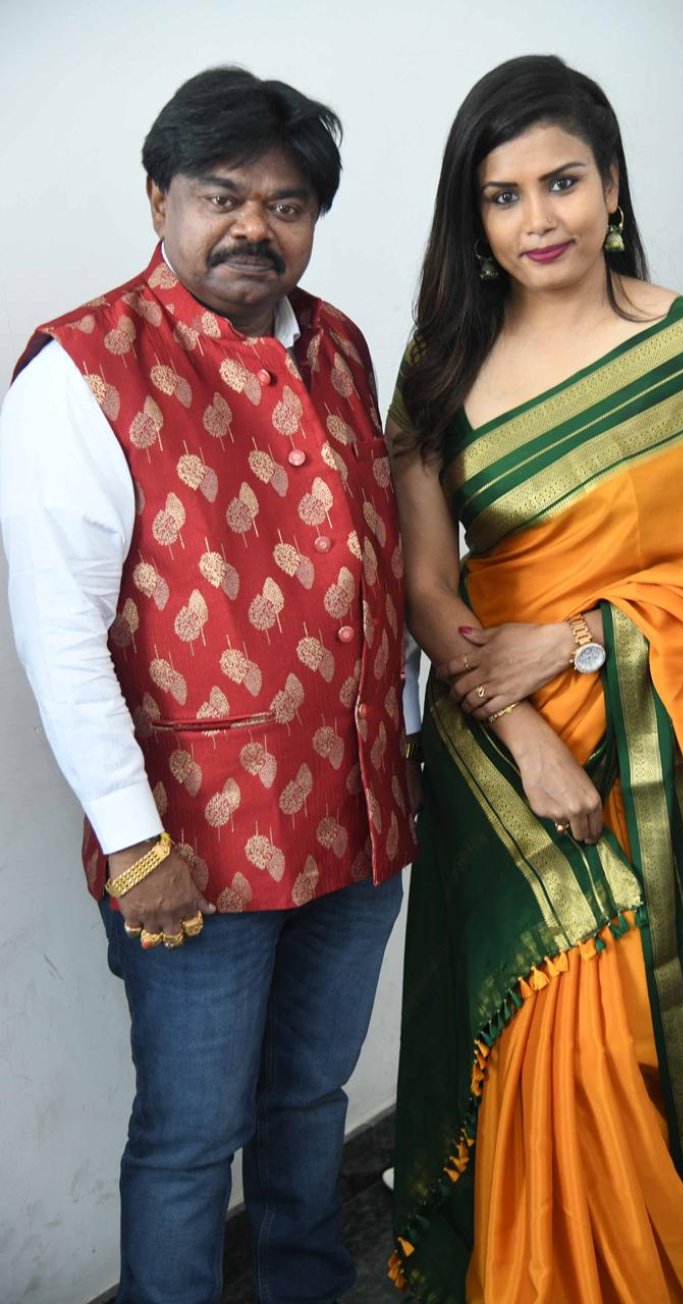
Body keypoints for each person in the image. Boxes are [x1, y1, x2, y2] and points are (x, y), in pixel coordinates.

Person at [0, 67, 421, 1304]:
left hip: (358, 817)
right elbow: (60, 634)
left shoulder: (339, 345)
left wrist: (405, 744)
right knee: (190, 1137)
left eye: (286, 205)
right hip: (195, 845)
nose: (253, 228)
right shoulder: (85, 369)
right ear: (159, 198)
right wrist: (136, 847)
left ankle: (304, 1285)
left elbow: (376, 566)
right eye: (221, 196)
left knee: (310, 1098)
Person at [385, 54, 683, 1303]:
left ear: (612, 185)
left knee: (628, 1042)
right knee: (548, 1045)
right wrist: (529, 730)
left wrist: (581, 638)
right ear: (474, 216)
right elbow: (428, 588)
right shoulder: (441, 366)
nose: (538, 219)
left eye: (562, 182)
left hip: (651, 732)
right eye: (503, 196)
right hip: (498, 743)